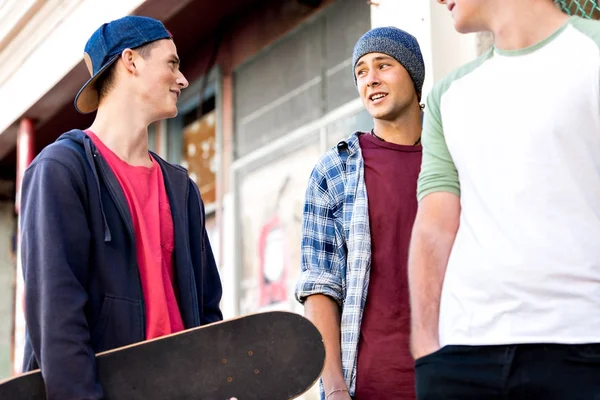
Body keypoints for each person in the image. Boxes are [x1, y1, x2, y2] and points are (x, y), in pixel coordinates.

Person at [20, 16, 223, 399]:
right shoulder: (61, 171)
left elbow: (208, 311)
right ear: (131, 61)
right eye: (172, 63)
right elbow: (57, 322)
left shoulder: (181, 189)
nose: (182, 80)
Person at [409, 1, 600, 399]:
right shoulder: (448, 95)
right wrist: (426, 349)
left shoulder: (591, 53)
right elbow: (434, 226)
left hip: (583, 344)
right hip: (462, 359)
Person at [296, 27, 425, 400]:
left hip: (455, 375)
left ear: (413, 74)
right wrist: (334, 387)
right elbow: (319, 287)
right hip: (368, 384)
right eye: (361, 72)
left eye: (383, 65)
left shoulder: (453, 156)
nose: (371, 80)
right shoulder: (334, 171)